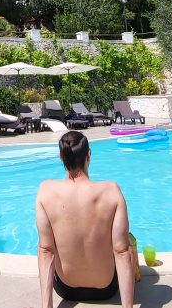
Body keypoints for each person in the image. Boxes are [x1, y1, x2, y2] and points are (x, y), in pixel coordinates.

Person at [35, 131, 136, 308]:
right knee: (127, 243)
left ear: (61, 157)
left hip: (66, 288)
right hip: (106, 288)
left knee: (44, 247)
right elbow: (122, 253)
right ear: (88, 155)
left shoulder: (45, 191)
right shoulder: (111, 191)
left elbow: (46, 251)